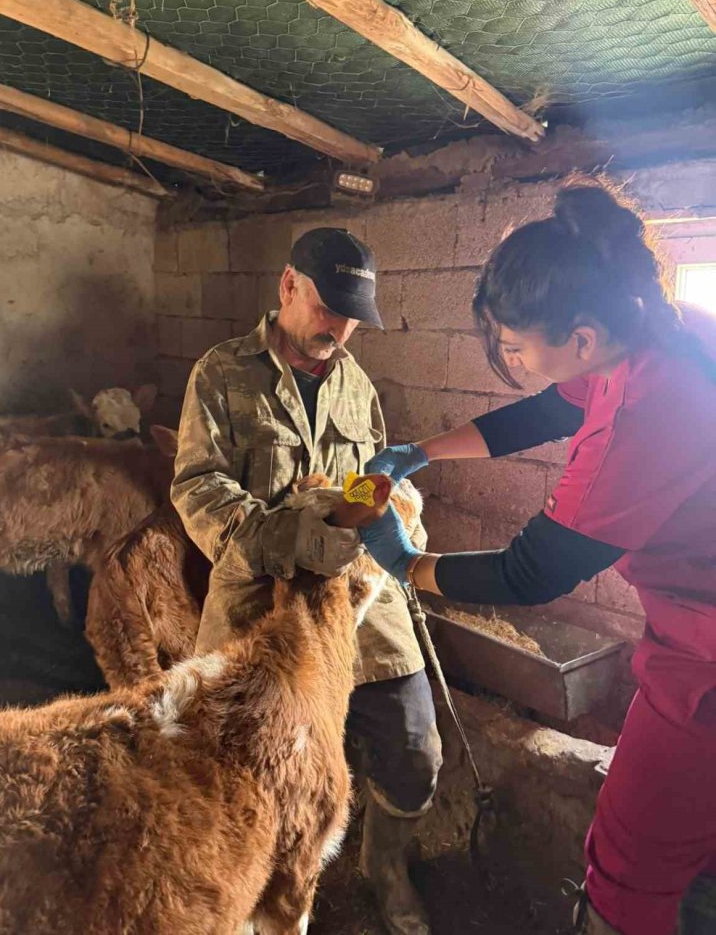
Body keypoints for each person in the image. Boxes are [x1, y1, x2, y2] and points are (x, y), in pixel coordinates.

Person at [355, 184, 716, 935]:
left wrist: (409, 561)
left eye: (516, 346)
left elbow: (531, 572)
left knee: (627, 860)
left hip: (705, 655)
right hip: (696, 614)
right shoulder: (656, 332)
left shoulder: (642, 421)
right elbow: (553, 407)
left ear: (580, 338)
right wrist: (425, 451)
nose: (511, 359)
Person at [171, 227, 442, 935]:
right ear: (288, 285)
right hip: (262, 594)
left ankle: (384, 866)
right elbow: (198, 488)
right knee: (231, 766)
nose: (341, 328)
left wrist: (389, 504)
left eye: (354, 315)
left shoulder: (357, 383)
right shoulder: (222, 372)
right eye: (329, 307)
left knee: (417, 748)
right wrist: (286, 535)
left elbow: (367, 476)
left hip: (356, 594)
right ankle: (244, 889)